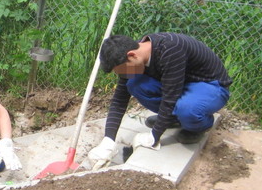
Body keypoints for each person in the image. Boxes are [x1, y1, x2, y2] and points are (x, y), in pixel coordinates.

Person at [88, 33, 231, 169]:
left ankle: (201, 124)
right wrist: (108, 140)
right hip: (179, 84)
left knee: (188, 110)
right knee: (134, 84)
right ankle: (175, 118)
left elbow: (170, 98)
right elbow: (119, 100)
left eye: (123, 71)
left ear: (132, 55)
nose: (123, 75)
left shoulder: (171, 49)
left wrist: (154, 136)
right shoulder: (130, 56)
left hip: (209, 85)